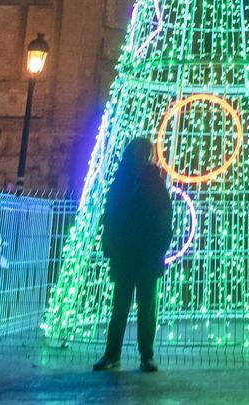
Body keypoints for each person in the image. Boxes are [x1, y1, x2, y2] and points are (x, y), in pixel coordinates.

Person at [94, 137, 171, 373]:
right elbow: (111, 216)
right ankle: (112, 354)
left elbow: (164, 217)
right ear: (130, 156)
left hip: (147, 255)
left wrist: (159, 248)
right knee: (120, 306)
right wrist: (112, 247)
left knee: (146, 308)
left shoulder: (155, 182)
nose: (141, 159)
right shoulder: (121, 181)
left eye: (145, 154)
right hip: (125, 254)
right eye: (137, 154)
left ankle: (146, 355)